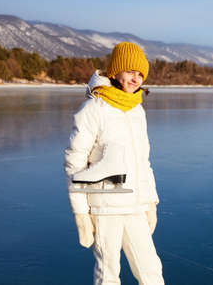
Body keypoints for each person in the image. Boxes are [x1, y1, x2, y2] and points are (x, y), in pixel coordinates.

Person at [64, 42, 164, 285]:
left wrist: (150, 201)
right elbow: (74, 164)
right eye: (130, 71)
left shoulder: (136, 110)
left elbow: (143, 162)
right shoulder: (93, 109)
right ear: (115, 71)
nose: (136, 78)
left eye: (140, 74)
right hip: (105, 207)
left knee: (151, 271)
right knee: (108, 274)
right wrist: (81, 213)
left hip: (136, 205)